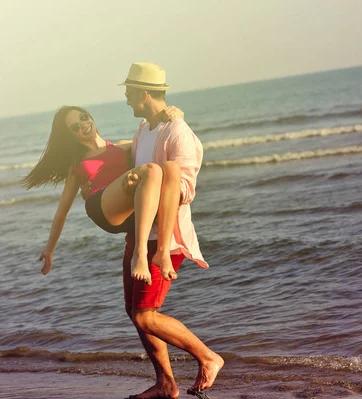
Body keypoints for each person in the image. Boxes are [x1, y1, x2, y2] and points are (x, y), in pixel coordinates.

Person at [115, 62, 224, 399]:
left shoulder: (178, 132)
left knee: (146, 316)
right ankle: (166, 384)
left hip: (164, 240)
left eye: (129, 93)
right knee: (135, 314)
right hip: (138, 237)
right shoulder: (145, 129)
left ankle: (209, 357)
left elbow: (185, 187)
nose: (127, 100)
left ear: (144, 92)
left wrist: (158, 184)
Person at [24, 105, 185, 285]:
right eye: (75, 126)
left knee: (169, 168)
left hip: (131, 210)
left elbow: (161, 141)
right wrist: (49, 249)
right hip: (101, 206)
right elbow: (62, 212)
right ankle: (139, 256)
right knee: (150, 169)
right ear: (72, 136)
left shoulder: (124, 146)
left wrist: (177, 118)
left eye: (83, 117)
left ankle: (162, 253)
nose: (83, 124)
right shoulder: (77, 163)